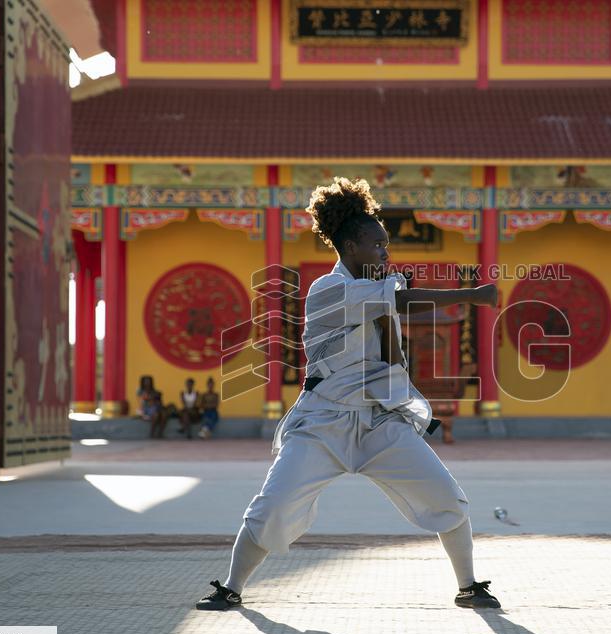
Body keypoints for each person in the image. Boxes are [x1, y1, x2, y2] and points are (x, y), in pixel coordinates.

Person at [196, 177, 501, 611]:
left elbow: (393, 350)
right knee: (273, 507)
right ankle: (231, 588)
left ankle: (468, 586)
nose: (385, 251)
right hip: (324, 421)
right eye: (377, 244)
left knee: (446, 497)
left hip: (382, 422)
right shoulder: (328, 290)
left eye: (386, 243)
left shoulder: (379, 289)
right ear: (350, 247)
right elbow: (401, 300)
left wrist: (390, 341)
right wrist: (474, 294)